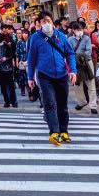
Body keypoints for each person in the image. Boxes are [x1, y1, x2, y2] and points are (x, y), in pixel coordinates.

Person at [25, 14, 76, 144]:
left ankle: (64, 131)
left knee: (62, 104)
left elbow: (70, 54)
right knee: (50, 104)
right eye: (43, 21)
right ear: (39, 24)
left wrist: (73, 71)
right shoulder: (35, 38)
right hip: (44, 75)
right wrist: (30, 77)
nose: (46, 23)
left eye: (48, 20)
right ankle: (54, 132)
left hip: (62, 74)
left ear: (53, 22)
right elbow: (31, 59)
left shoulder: (61, 36)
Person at [70, 22, 99, 114]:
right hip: (75, 65)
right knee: (77, 85)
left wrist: (79, 57)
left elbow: (88, 51)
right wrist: (75, 59)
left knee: (91, 84)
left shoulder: (86, 38)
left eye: (81, 29)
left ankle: (93, 106)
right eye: (77, 30)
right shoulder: (69, 40)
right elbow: (69, 52)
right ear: (73, 31)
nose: (80, 31)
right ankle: (81, 102)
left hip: (87, 63)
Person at [0, 31, 19, 109]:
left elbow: (12, 55)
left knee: (11, 86)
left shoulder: (6, 45)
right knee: (3, 87)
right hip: (0, 69)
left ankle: (14, 101)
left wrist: (6, 58)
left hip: (9, 68)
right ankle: (6, 101)